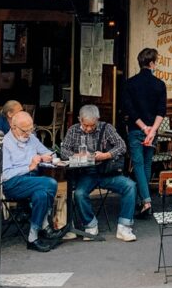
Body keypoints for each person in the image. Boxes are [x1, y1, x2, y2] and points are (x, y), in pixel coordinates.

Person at [58, 104, 136, 242]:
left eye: (92, 125)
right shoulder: (73, 130)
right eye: (85, 125)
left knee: (130, 186)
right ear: (79, 119)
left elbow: (122, 146)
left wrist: (106, 155)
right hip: (87, 173)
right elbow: (63, 151)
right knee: (80, 193)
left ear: (97, 120)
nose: (88, 128)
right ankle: (90, 225)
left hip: (106, 171)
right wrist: (78, 156)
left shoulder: (106, 128)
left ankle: (124, 227)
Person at [3, 111, 67, 252]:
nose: (28, 133)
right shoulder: (4, 144)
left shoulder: (31, 138)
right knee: (50, 183)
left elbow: (49, 152)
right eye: (25, 130)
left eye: (31, 129)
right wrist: (29, 166)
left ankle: (32, 238)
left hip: (34, 180)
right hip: (14, 183)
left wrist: (48, 156)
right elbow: (5, 175)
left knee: (41, 195)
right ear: (13, 127)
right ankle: (45, 225)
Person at [122, 48, 166, 219]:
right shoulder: (159, 84)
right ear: (152, 63)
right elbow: (161, 111)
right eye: (157, 61)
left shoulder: (129, 83)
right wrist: (152, 130)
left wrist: (143, 128)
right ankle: (145, 200)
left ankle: (145, 201)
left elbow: (129, 110)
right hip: (152, 131)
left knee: (138, 164)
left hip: (136, 129)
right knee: (147, 164)